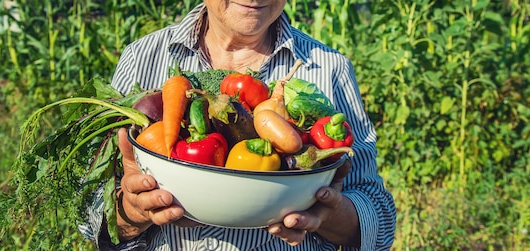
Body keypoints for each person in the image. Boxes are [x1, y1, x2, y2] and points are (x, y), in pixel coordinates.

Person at [79, 1, 396, 250]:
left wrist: (329, 214)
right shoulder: (143, 58)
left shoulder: (329, 69)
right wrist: (131, 212)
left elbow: (379, 224)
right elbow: (89, 216)